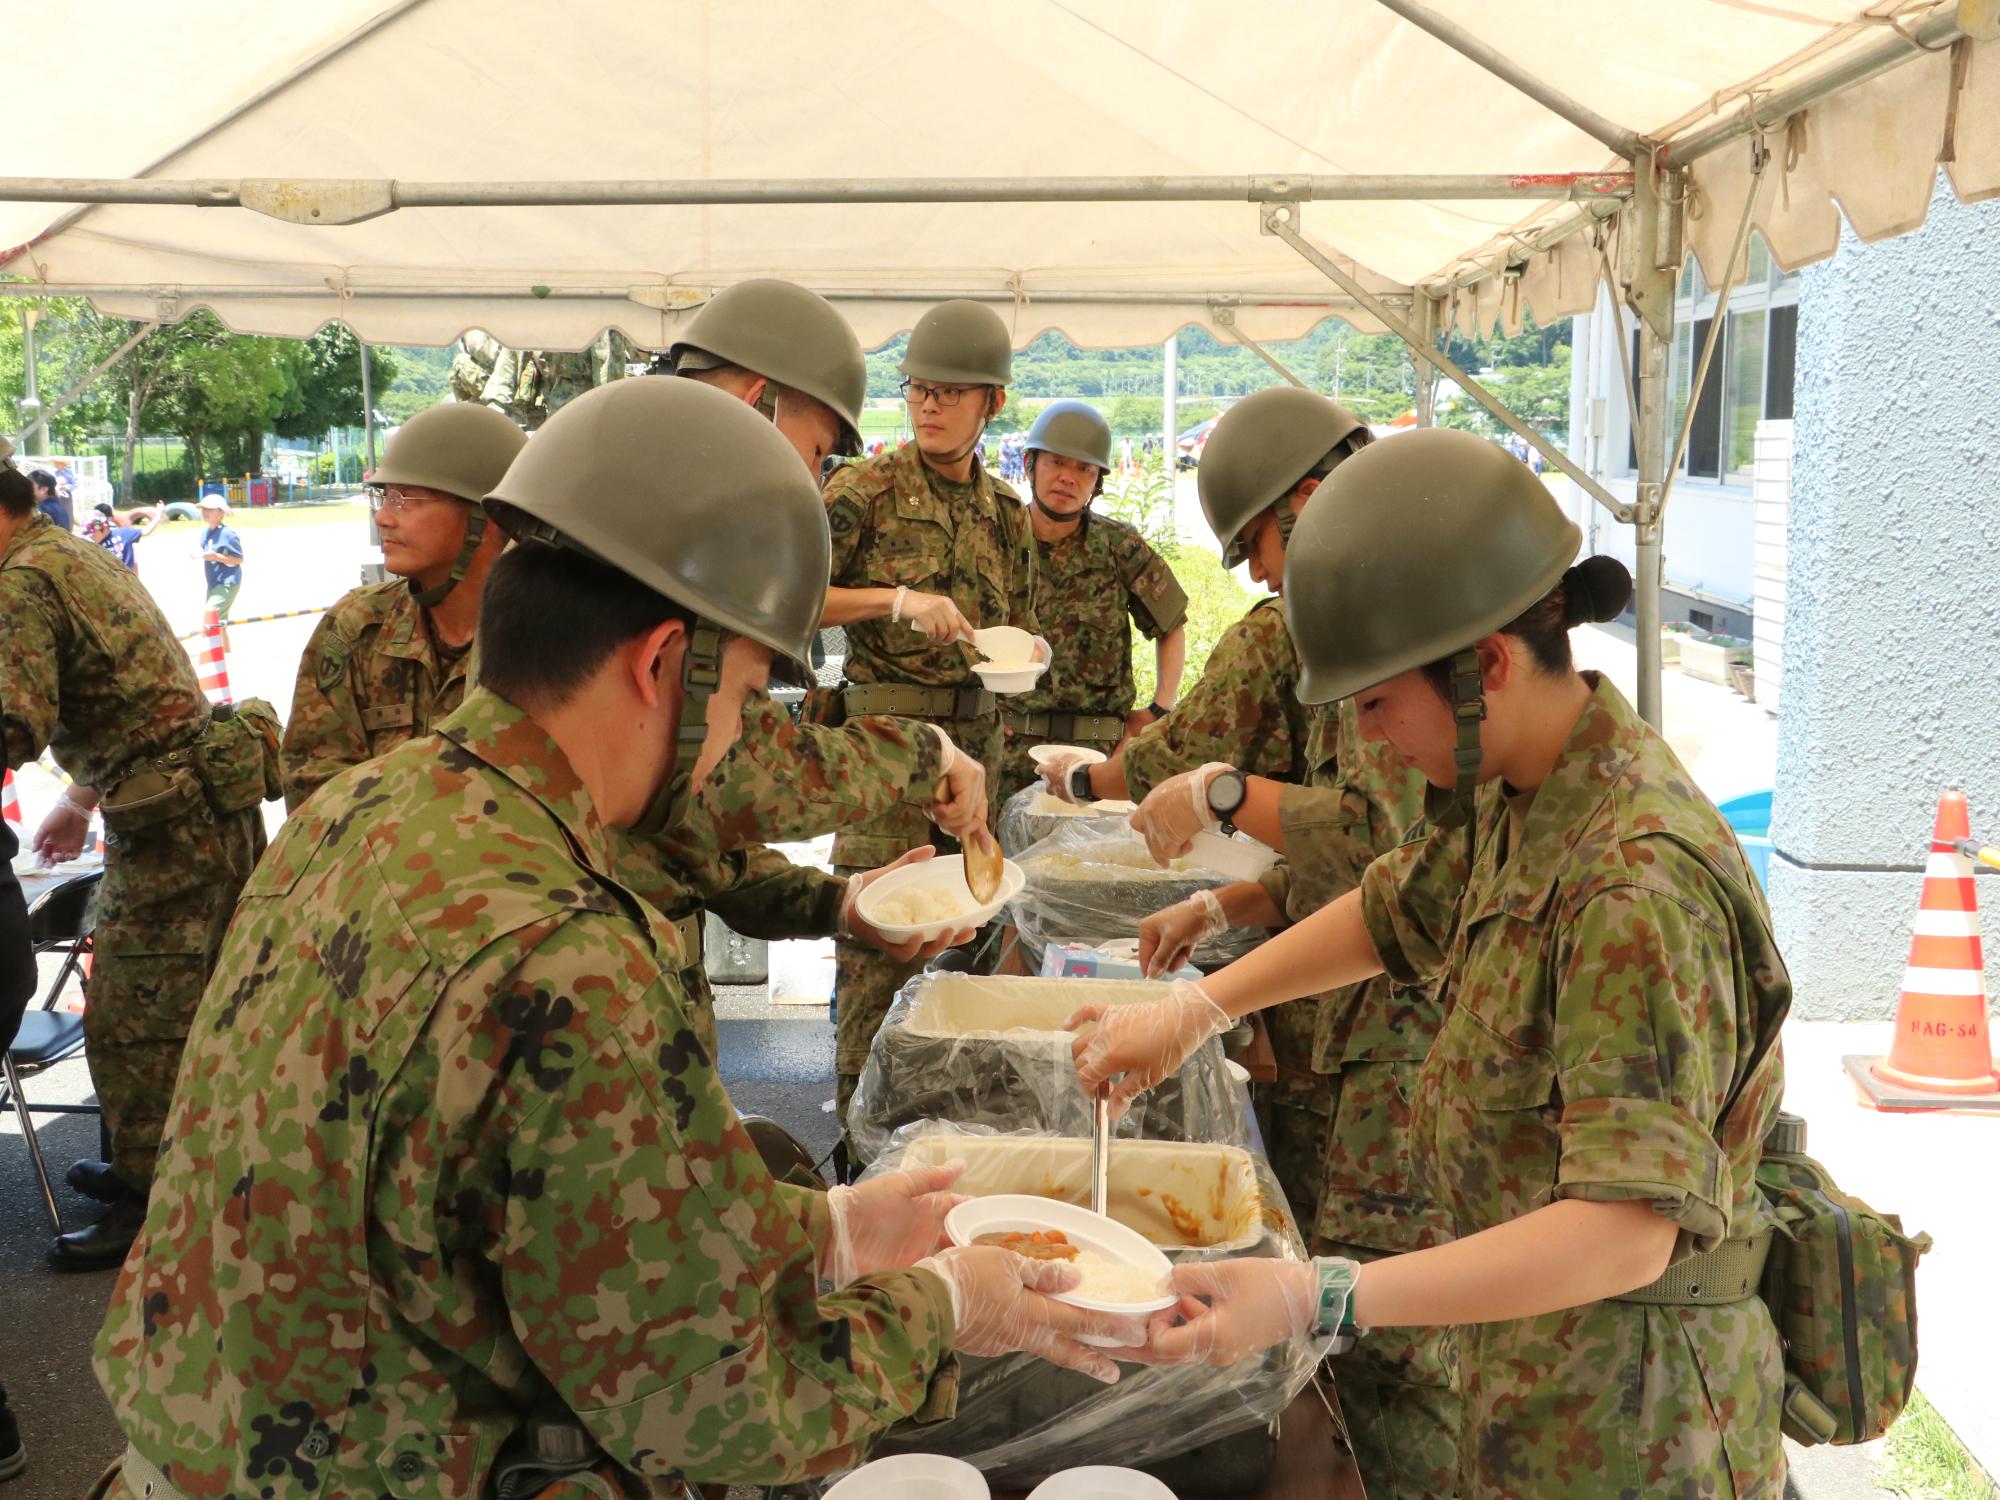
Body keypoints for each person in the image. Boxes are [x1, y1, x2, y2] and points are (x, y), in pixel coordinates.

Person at [93, 379, 1144, 1500]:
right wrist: (947, 1306)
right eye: (743, 698)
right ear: (658, 666)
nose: (735, 739)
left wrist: (828, 1230)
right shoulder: (562, 957)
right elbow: (720, 1412)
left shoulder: (366, 808)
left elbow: (525, 1205)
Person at [1079, 428, 1790, 1499]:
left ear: (1485, 667)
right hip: (1535, 1372)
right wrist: (1195, 1008)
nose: (1369, 734)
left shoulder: (1632, 882)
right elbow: (1387, 910)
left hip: (1632, 1422)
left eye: (1375, 703)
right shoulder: (1524, 798)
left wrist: (1324, 1295)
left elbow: (1623, 1233)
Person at [626, 277, 1000, 1050]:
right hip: (592, 984)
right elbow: (746, 772)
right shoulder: (665, 543)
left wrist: (837, 906)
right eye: (817, 451)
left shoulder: (647, 506)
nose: (810, 480)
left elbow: (686, 830)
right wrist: (928, 751)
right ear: (758, 402)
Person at [0, 462, 276, 1271]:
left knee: (135, 1018)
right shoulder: (69, 553)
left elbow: (12, 721)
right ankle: (155, 1170)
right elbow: (124, 690)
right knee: (183, 1003)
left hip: (173, 822)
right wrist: (80, 798)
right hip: (188, 801)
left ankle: (156, 1206)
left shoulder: (21, 582)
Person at [818, 299, 1044, 1115]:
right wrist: (894, 601)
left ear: (993, 402)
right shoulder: (863, 489)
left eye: (952, 392)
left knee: (964, 972)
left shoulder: (1007, 517)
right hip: (882, 757)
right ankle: (856, 1151)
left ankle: (945, 1142)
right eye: (919, 390)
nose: (931, 406)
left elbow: (1011, 633)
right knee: (877, 963)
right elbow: (794, 602)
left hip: (975, 758)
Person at [279, 402, 526, 811]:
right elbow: (313, 790)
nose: (382, 518)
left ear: (486, 519)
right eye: (382, 497)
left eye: (402, 499)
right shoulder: (357, 628)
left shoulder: (548, 643)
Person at [997, 399, 1188, 801]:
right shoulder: (995, 540)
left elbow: (1171, 623)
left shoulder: (1119, 546)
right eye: (1057, 463)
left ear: (1097, 481)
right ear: (1030, 465)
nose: (1069, 478)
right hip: (1009, 757)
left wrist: (1157, 713)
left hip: (1097, 760)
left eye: (1084, 469)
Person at [196, 495, 243, 642]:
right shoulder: (205, 532)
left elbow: (239, 559)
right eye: (204, 509)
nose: (205, 512)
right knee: (219, 624)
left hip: (227, 582)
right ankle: (225, 658)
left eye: (209, 509)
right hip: (213, 583)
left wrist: (216, 557)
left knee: (211, 615)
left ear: (221, 513)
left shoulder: (228, 534)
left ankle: (215, 659)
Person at [83, 512, 154, 571]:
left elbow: (145, 531)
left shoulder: (123, 534)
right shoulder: (93, 545)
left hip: (127, 578)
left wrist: (159, 516)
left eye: (92, 534)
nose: (91, 537)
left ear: (104, 527)